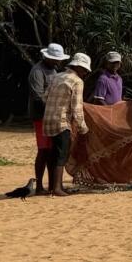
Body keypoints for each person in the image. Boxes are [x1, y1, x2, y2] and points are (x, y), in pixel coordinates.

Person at [42, 53, 91, 197]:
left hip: (48, 121)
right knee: (61, 155)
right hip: (62, 122)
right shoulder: (77, 81)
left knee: (54, 154)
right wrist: (83, 129)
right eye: (84, 70)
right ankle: (57, 188)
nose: (85, 73)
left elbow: (45, 97)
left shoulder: (57, 76)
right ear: (78, 67)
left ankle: (53, 186)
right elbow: (77, 109)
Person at [28, 42, 69, 195]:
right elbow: (38, 96)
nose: (58, 62)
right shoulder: (37, 71)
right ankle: (39, 186)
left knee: (52, 151)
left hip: (52, 115)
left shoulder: (53, 69)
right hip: (41, 116)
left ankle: (53, 185)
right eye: (56, 59)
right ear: (47, 57)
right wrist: (55, 108)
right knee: (43, 150)